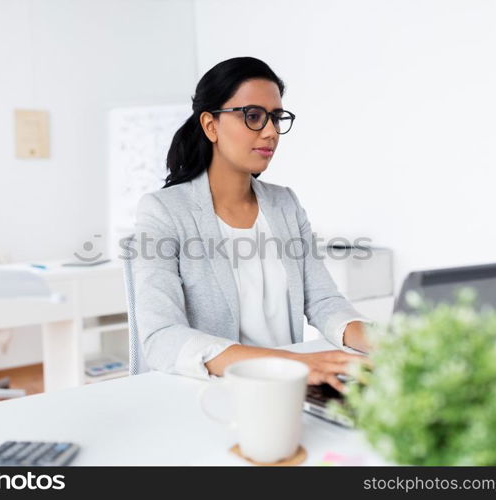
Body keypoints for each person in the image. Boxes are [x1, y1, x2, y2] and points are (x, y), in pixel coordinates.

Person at [131, 57, 371, 393]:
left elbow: (322, 301)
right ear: (211, 125)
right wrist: (292, 363)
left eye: (276, 117)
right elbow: (161, 337)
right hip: (211, 393)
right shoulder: (164, 211)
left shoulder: (284, 203)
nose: (271, 131)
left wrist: (383, 342)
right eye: (254, 116)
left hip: (289, 391)